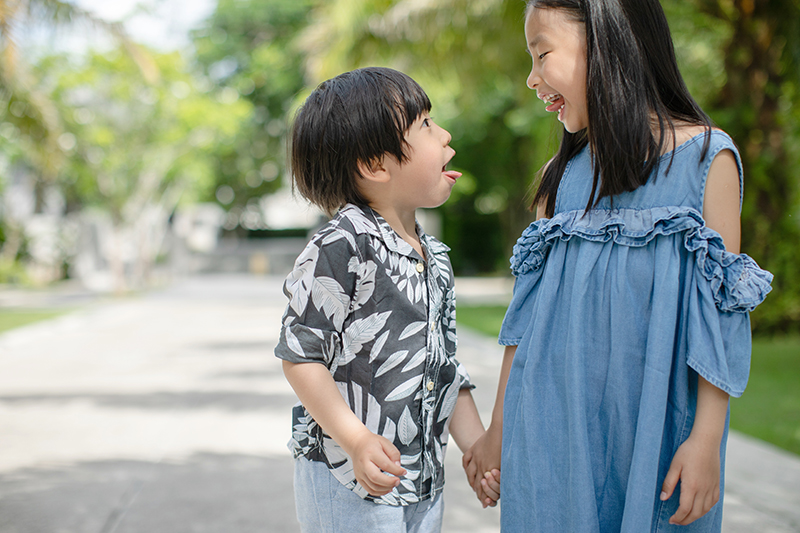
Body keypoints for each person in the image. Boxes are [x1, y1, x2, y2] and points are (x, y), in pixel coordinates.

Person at [463, 0, 774, 531]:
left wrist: (705, 440)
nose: (531, 78)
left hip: (657, 429)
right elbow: (524, 326)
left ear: (606, 46)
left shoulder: (707, 161)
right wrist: (497, 427)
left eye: (542, 55)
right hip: (551, 429)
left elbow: (721, 315)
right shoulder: (559, 181)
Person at [275, 66, 499, 533]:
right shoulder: (344, 244)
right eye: (426, 126)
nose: (446, 134)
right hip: (350, 476)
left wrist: (477, 446)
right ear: (376, 165)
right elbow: (301, 357)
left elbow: (445, 368)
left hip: (421, 478)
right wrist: (356, 440)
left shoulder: (434, 255)